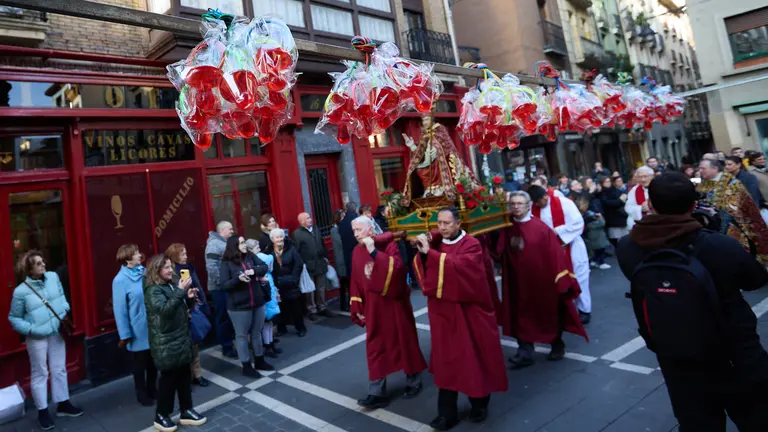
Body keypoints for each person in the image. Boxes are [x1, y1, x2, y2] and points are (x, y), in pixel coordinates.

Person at [617, 172, 768, 431]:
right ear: (693, 205)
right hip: (734, 353)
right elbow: (755, 279)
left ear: (650, 204)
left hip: (677, 357)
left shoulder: (628, 246)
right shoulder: (719, 245)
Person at [411, 207, 507, 430]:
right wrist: (424, 251)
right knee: (447, 362)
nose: (442, 227)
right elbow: (424, 268)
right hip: (444, 315)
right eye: (439, 223)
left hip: (470, 313)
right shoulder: (436, 242)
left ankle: (479, 404)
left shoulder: (471, 244)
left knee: (474, 358)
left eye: (446, 223)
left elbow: (463, 271)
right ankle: (447, 413)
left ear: (458, 223)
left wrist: (431, 254)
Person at [496, 192, 588, 368]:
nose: (516, 207)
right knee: (520, 316)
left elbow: (555, 254)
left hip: (541, 281)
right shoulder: (506, 226)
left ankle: (556, 344)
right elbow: (499, 249)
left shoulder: (541, 229)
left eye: (520, 203)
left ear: (529, 205)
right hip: (517, 281)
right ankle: (525, 351)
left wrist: (560, 279)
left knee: (547, 313)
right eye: (513, 203)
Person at [349, 218, 427, 409]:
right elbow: (356, 280)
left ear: (370, 230)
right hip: (373, 307)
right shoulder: (356, 251)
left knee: (404, 341)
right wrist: (357, 306)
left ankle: (413, 381)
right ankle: (377, 392)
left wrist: (374, 253)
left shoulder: (389, 246)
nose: (356, 234)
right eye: (354, 230)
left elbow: (399, 270)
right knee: (375, 347)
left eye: (359, 229)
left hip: (394, 304)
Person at [8, 250, 83, 431]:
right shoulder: (21, 292)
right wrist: (34, 330)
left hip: (57, 331)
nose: (43, 265)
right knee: (40, 372)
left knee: (59, 368)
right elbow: (14, 318)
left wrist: (64, 309)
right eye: (38, 263)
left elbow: (62, 297)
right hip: (37, 337)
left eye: (43, 262)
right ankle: (42, 411)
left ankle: (63, 404)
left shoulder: (53, 277)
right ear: (30, 269)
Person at [144, 254, 207, 432]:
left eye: (171, 266)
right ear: (157, 270)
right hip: (166, 341)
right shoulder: (153, 290)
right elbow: (164, 310)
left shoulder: (172, 284)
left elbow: (178, 305)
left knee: (183, 377)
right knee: (168, 380)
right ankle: (161, 415)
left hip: (181, 337)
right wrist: (180, 291)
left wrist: (188, 296)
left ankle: (186, 410)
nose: (171, 270)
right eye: (166, 267)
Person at [528, 185, 592, 323]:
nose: (541, 203)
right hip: (550, 250)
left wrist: (557, 231)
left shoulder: (564, 203)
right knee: (556, 280)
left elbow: (577, 223)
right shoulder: (533, 209)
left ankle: (584, 309)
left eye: (542, 199)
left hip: (571, 245)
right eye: (537, 202)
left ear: (546, 195)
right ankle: (564, 310)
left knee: (579, 277)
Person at [697, 159, 768, 265]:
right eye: (699, 168)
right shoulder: (704, 184)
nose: (700, 170)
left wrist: (715, 211)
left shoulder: (731, 184)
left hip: (737, 229)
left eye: (703, 168)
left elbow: (734, 210)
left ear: (715, 169)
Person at [220, 236, 272, 377]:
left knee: (256, 332)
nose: (244, 245)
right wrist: (238, 279)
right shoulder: (226, 263)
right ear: (234, 245)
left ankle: (260, 360)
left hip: (257, 300)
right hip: (239, 306)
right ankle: (247, 366)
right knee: (241, 335)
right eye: (242, 243)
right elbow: (224, 285)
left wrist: (254, 271)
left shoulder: (250, 256)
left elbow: (264, 267)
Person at [112, 244, 156, 405]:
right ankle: (141, 393)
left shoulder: (144, 272)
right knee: (139, 365)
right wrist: (125, 334)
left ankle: (153, 389)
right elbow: (120, 310)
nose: (140, 255)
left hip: (152, 324)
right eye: (136, 253)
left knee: (153, 361)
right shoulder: (119, 281)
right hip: (136, 329)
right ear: (128, 258)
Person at [166, 243, 210, 388]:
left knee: (194, 346)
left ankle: (197, 375)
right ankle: (187, 378)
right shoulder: (170, 273)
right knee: (183, 349)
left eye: (185, 253)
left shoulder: (186, 269)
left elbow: (191, 288)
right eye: (182, 254)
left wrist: (198, 299)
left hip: (190, 310)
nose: (186, 256)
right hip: (177, 314)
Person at [205, 221, 236, 358]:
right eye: (230, 229)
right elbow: (211, 267)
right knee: (223, 317)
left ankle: (230, 343)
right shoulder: (214, 244)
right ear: (222, 230)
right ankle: (227, 347)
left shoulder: (223, 243)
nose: (232, 231)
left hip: (227, 286)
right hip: (219, 289)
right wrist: (223, 283)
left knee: (227, 316)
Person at [293, 212, 332, 320]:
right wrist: (302, 264)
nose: (310, 219)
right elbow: (297, 251)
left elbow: (322, 243)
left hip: (320, 263)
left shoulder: (315, 229)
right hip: (308, 266)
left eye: (310, 217)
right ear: (302, 222)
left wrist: (326, 257)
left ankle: (322, 307)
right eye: (308, 218)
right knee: (310, 290)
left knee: (321, 287)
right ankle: (311, 310)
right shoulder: (297, 234)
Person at [248, 239, 282, 359]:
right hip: (264, 293)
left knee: (269, 322)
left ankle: (270, 343)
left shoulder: (254, 260)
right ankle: (268, 345)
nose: (259, 250)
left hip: (269, 291)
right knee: (266, 322)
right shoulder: (258, 259)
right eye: (256, 248)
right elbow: (269, 260)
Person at [272, 228, 307, 337]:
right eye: (276, 237)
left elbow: (298, 264)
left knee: (295, 307)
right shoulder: (269, 251)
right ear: (272, 239)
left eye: (280, 236)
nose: (279, 239)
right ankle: (282, 328)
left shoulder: (291, 249)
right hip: (277, 284)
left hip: (291, 283)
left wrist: (294, 278)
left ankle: (301, 328)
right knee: (280, 308)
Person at [598, 176, 629, 246]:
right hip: (612, 219)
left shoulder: (615, 190)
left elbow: (624, 197)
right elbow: (608, 203)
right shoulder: (602, 193)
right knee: (616, 240)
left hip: (622, 216)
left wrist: (619, 201)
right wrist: (620, 201)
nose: (608, 183)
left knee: (625, 238)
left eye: (609, 181)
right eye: (606, 182)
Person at [330, 209, 350, 312]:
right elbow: (341, 242)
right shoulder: (334, 230)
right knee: (343, 283)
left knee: (350, 282)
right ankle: (343, 304)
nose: (344, 218)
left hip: (347, 258)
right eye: (342, 217)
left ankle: (351, 302)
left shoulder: (343, 228)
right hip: (341, 259)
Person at [339, 202, 359, 278]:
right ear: (355, 209)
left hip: (347, 251)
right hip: (358, 248)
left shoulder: (342, 223)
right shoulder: (357, 219)